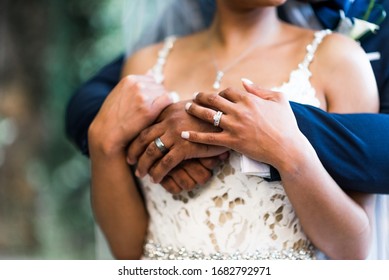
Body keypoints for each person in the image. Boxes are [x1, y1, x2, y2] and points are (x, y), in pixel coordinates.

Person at [88, 0, 377, 260]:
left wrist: (287, 153)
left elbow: (352, 252)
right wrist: (102, 143)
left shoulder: (339, 60)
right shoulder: (146, 65)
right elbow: (129, 254)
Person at [66, 0, 389, 194]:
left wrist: (227, 122)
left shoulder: (347, 49)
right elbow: (93, 98)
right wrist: (156, 141)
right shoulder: (200, 14)